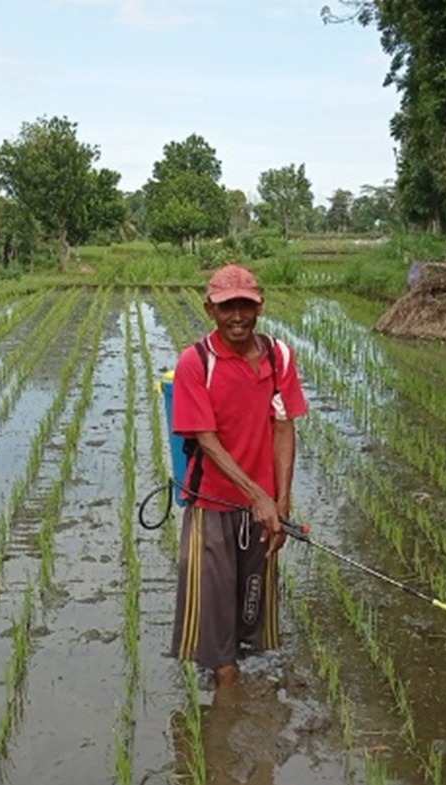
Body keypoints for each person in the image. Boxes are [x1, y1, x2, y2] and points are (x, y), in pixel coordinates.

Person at [169, 264, 308, 687]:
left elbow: (284, 425)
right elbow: (206, 440)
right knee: (213, 617)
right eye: (227, 307)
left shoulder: (277, 355)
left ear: (259, 307)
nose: (238, 317)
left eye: (246, 306)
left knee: (252, 605)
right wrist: (256, 496)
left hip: (262, 507)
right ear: (210, 308)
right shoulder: (196, 362)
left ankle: (249, 693)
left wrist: (280, 502)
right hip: (214, 503)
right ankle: (227, 703)